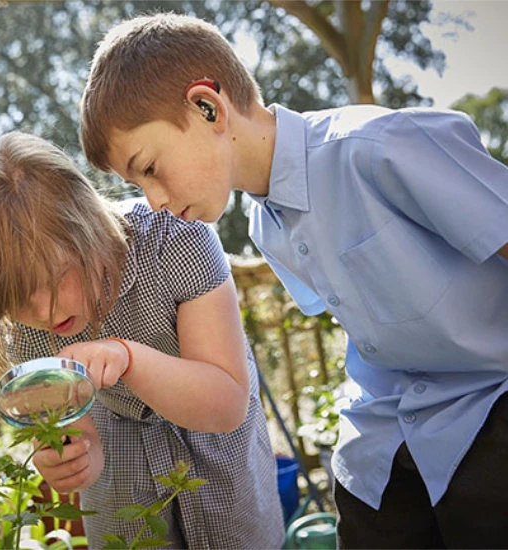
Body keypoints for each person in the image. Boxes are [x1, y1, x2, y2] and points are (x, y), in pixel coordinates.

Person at [80, 11, 508, 548]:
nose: (155, 201)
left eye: (149, 168)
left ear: (208, 107)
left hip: (490, 412)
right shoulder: (266, 223)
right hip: (383, 444)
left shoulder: (381, 148)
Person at [0, 131, 285, 549]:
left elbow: (225, 402)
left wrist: (128, 359)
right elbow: (84, 437)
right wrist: (77, 460)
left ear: (87, 224)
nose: (41, 312)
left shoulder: (178, 240)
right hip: (125, 486)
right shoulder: (29, 329)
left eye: (55, 278)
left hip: (223, 469)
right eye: (11, 301)